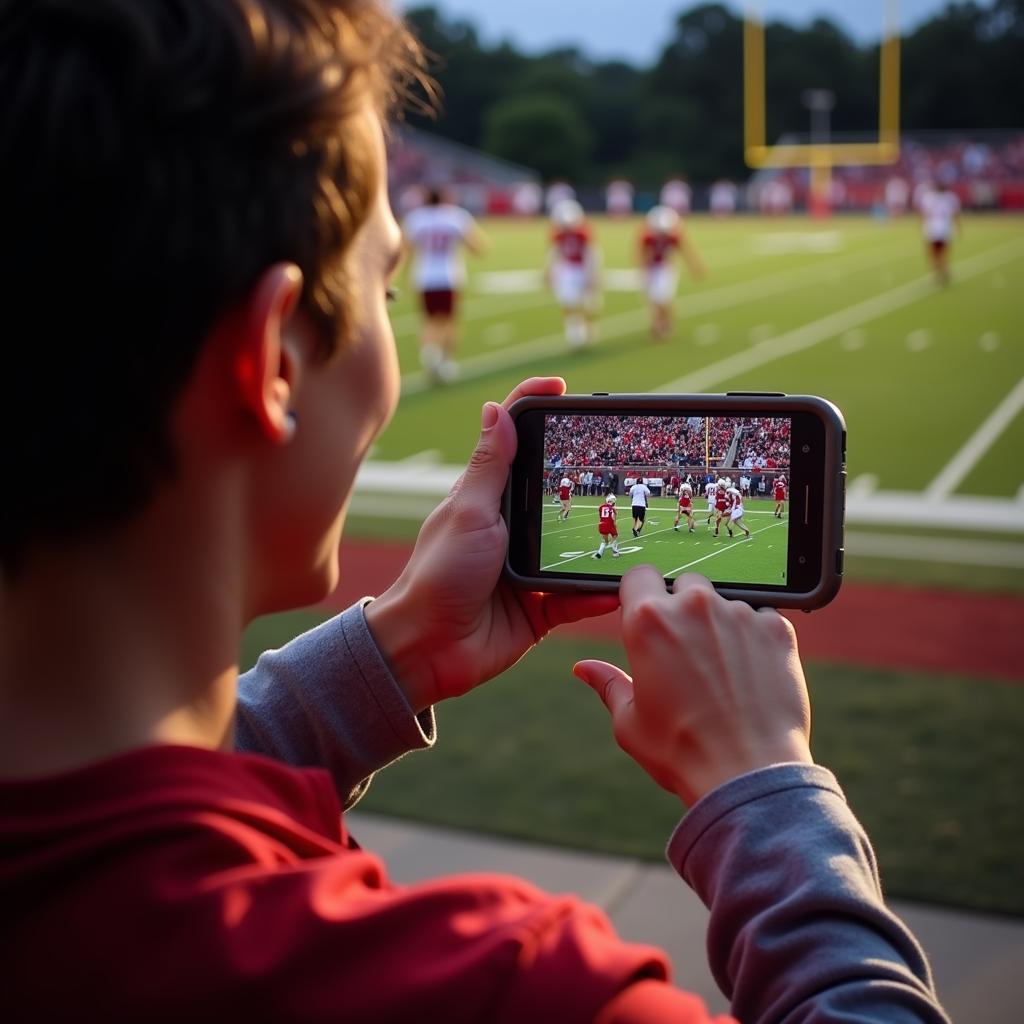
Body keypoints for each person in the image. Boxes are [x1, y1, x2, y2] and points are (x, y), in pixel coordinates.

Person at [0, 4, 951, 1022]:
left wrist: (393, 648)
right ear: (274, 360)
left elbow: (103, 839)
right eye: (385, 291)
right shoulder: (507, 989)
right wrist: (766, 791)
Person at [402, 185, 486, 382]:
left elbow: (405, 248)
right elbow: (478, 247)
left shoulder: (416, 218)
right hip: (449, 276)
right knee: (449, 321)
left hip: (424, 276)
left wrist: (405, 274)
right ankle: (446, 361)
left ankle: (430, 352)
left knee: (429, 320)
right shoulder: (455, 216)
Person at [639, 204, 704, 340]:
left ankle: (665, 323)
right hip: (652, 269)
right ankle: (657, 323)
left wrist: (694, 267)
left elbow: (686, 252)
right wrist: (644, 270)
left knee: (663, 298)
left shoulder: (673, 236)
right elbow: (642, 255)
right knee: (654, 299)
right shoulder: (647, 237)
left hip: (665, 268)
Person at [547, 197, 600, 349]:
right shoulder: (558, 233)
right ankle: (573, 332)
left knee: (588, 302)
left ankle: (588, 329)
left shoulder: (583, 234)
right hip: (568, 269)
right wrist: (550, 271)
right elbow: (555, 252)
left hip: (583, 268)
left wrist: (592, 275)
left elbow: (592, 255)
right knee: (568, 301)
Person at [918, 177, 961, 286]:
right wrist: (958, 227)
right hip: (943, 227)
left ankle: (938, 273)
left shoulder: (929, 197)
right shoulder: (950, 197)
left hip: (933, 228)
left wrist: (922, 226)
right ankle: (943, 271)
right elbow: (954, 214)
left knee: (935, 253)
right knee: (942, 252)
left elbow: (924, 214)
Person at [592, 494, 621, 559]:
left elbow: (601, 515)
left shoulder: (601, 507)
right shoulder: (613, 508)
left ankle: (599, 554)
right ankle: (615, 552)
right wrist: (615, 523)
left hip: (602, 524)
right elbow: (613, 518)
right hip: (609, 524)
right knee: (615, 536)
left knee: (605, 541)